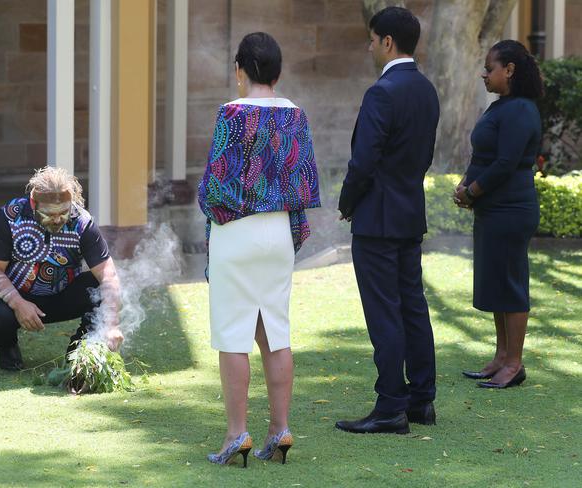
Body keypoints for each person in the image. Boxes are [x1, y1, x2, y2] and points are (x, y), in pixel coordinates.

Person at [198, 32, 320, 466]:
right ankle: (280, 429)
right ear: (278, 71)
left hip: (238, 232)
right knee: (276, 332)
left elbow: (216, 185)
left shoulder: (232, 113)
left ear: (240, 70)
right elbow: (304, 181)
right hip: (279, 234)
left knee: (233, 335)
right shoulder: (296, 115)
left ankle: (236, 434)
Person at [335, 6, 439, 435]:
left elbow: (364, 161)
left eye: (373, 39)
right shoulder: (427, 89)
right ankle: (421, 400)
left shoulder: (383, 92)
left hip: (377, 218)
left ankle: (391, 406)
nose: (370, 45)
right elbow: (424, 156)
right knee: (412, 306)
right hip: (409, 212)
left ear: (388, 43)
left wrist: (346, 202)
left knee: (384, 313)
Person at [455, 40, 543, 389]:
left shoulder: (521, 110)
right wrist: (466, 183)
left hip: (511, 209)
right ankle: (501, 357)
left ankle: (515, 363)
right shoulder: (501, 107)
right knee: (495, 281)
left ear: (509, 70)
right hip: (493, 209)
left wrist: (472, 191)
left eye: (490, 68)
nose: (484, 74)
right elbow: (483, 155)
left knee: (511, 283)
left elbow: (506, 163)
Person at [0, 166, 124, 371]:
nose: (57, 219)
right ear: (33, 204)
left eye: (63, 213)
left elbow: (108, 274)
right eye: (49, 214)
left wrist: (111, 323)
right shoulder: (10, 217)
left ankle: (80, 351)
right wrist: (19, 304)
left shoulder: (82, 222)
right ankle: (7, 348)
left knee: (102, 288)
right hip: (19, 296)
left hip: (63, 297)